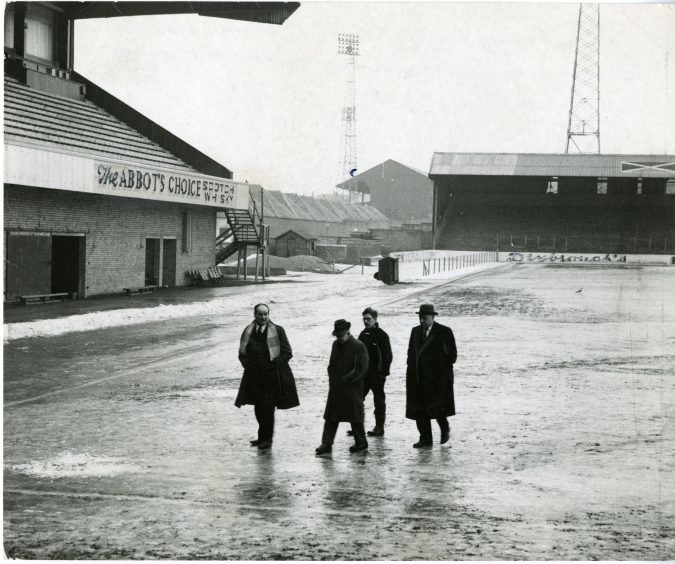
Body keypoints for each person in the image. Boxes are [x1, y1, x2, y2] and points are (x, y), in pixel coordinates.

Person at [235, 303, 299, 449]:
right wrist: (249, 366)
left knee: (267, 407)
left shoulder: (277, 330)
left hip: (272, 376)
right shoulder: (248, 331)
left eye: (266, 314)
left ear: (269, 315)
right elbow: (242, 353)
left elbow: (287, 353)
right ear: (255, 315)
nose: (263, 317)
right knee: (258, 407)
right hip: (254, 376)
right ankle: (261, 437)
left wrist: (274, 365)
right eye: (260, 314)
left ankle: (267, 439)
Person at [406, 304, 457, 448]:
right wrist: (411, 370)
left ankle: (444, 428)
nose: (422, 321)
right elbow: (410, 353)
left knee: (438, 408)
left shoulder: (444, 332)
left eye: (425, 318)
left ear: (433, 317)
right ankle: (425, 439)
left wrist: (440, 370)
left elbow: (452, 356)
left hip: (437, 379)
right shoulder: (415, 332)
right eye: (420, 317)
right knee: (420, 411)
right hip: (418, 378)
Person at [315, 319, 370, 455]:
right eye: (337, 336)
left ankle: (361, 442)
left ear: (348, 332)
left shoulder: (358, 346)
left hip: (352, 388)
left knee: (355, 416)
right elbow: (332, 364)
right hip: (336, 387)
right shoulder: (336, 344)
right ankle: (326, 443)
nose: (339, 338)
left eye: (341, 335)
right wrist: (333, 379)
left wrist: (346, 380)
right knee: (331, 416)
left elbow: (361, 369)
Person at [356, 307, 393, 437]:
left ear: (375, 319)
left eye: (369, 319)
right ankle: (357, 425)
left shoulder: (382, 335)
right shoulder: (362, 334)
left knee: (379, 400)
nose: (366, 321)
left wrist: (383, 373)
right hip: (364, 375)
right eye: (364, 319)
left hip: (377, 375)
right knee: (358, 398)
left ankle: (379, 427)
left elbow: (388, 356)